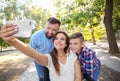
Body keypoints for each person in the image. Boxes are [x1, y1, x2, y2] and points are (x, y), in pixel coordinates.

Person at [0, 25, 82, 81]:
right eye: (56, 38)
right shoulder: (49, 58)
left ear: (66, 44)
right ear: (54, 42)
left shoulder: (72, 56)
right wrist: (12, 41)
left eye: (62, 39)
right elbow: (34, 54)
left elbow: (78, 78)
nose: (58, 41)